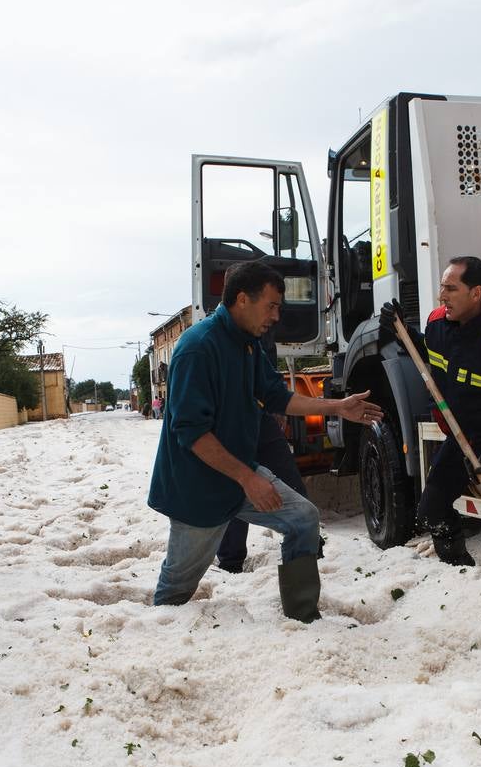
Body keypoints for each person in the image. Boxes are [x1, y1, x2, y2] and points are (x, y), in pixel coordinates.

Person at [148, 260, 382, 620]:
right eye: (271, 306)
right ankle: (154, 638)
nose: (276, 316)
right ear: (243, 299)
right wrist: (249, 479)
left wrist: (339, 406)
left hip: (240, 475)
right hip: (198, 487)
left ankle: (302, 615)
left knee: (303, 518)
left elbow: (277, 396)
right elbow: (191, 432)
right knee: (177, 589)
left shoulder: (248, 343)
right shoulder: (198, 347)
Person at [379, 255, 481, 588]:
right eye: (442, 287)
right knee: (431, 512)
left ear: (476, 294)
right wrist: (403, 333)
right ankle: (462, 578)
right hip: (461, 440)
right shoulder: (438, 324)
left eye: (450, 288)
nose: (442, 295)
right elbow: (429, 360)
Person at [214, 327, 312, 574]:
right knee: (235, 487)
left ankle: (308, 549)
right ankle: (230, 563)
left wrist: (277, 408)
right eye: (272, 306)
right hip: (231, 421)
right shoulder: (213, 336)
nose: (276, 316)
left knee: (292, 484)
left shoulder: (265, 326)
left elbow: (269, 371)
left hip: (262, 417)